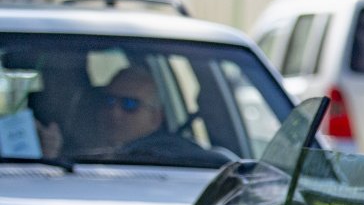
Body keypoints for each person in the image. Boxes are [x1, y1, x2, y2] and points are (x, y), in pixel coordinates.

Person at [38, 66, 228, 165]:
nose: (115, 112)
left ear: (156, 118)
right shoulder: (71, 154)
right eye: (109, 101)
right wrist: (51, 158)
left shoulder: (179, 158)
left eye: (130, 105)